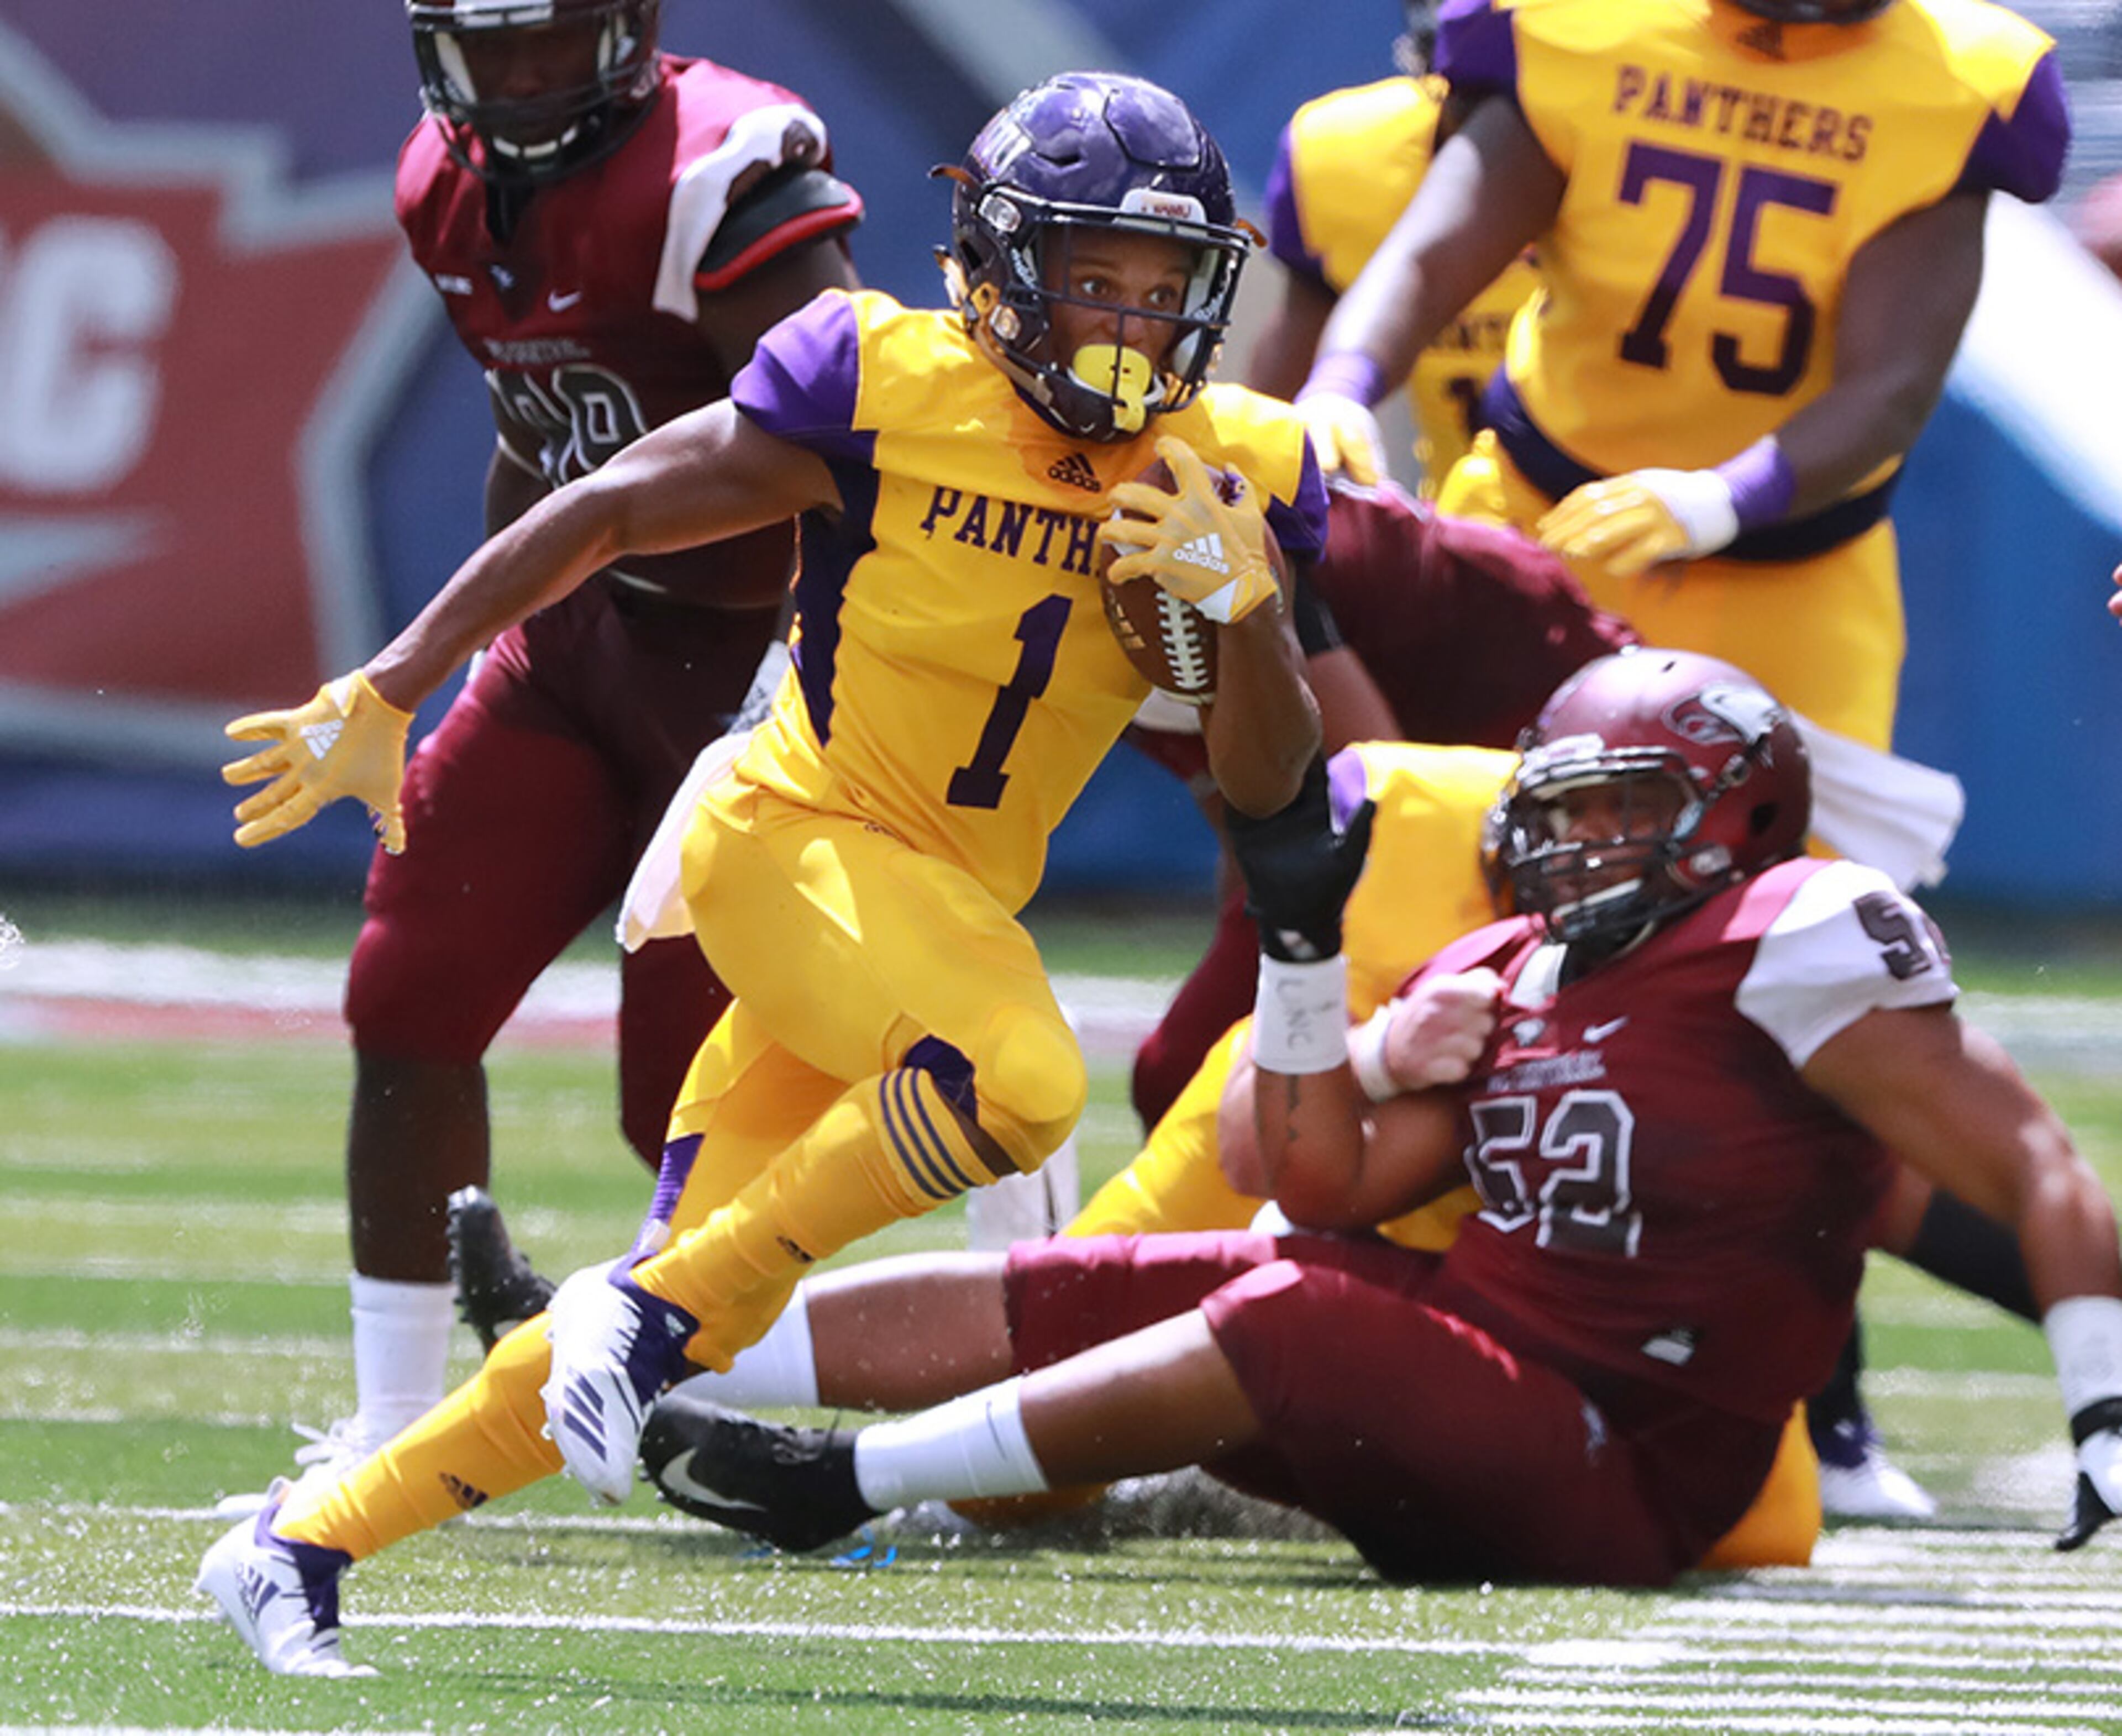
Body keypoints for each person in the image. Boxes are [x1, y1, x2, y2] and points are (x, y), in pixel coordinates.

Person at [197, 71, 1328, 1676]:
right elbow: (608, 506)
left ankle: (300, 1545)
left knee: (689, 1304)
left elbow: (1267, 778)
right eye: (1095, 278)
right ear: (1003, 269)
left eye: (1164, 289)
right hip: (790, 834)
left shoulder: (1236, 465)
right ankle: (643, 1313)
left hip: (923, 909)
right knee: (1018, 1079)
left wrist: (1247, 612)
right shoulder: (882, 379)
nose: (1131, 326)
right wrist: (392, 685)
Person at [629, 647, 2122, 1588]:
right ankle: (648, 1344)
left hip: (1630, 1458)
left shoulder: (1795, 936)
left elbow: (2033, 1161)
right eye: (1564, 808)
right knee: (1173, 1272)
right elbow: (1309, 1174)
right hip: (1466, 1392)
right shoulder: (1509, 961)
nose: (1577, 840)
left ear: (1739, 812)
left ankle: (844, 1482)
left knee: (1300, 1315)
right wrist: (1328, 994)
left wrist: (2105, 1410)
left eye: (1620, 806)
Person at [218, 0, 867, 1507]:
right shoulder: (440, 184)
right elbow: (550, 435)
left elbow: (854, 447)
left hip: (751, 662)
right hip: (577, 646)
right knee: (409, 984)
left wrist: (801, 680)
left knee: (684, 1100)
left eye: (549, 41)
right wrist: (483, 638)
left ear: (629, 25)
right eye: (485, 45)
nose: (515, 77)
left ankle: (879, 1366)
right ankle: (391, 1420)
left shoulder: (724, 171)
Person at [1293, 0, 2071, 751]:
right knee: (1460, 821)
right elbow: (1429, 259)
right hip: (1540, 529)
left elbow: (1890, 386)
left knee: (1787, 843)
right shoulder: (1582, 26)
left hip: (1793, 574)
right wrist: (1342, 382)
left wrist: (1720, 498)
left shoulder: (1955, 85)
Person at [1246, 1, 1539, 497]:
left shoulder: (1651, 144)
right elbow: (1270, 416)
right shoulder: (1353, 160)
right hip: (1466, 520)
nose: (1499, 139)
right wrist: (1335, 390)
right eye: (1469, 98)